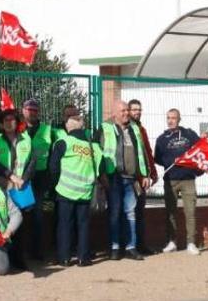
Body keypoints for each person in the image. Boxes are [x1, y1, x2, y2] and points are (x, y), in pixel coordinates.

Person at [97, 100, 149, 261]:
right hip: (113, 178)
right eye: (122, 111)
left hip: (131, 178)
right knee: (114, 213)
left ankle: (131, 247)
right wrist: (102, 175)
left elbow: (142, 152)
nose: (126, 113)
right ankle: (114, 247)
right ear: (114, 114)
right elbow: (97, 153)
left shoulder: (135, 129)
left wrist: (145, 174)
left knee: (130, 213)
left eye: (127, 110)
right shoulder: (104, 128)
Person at [49, 112, 103, 267]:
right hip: (85, 192)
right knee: (83, 225)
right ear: (83, 126)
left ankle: (64, 258)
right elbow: (100, 169)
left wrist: (55, 186)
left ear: (67, 127)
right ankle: (83, 257)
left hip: (65, 191)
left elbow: (53, 168)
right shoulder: (93, 147)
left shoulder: (63, 142)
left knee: (65, 224)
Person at [0, 108, 35, 269]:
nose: (9, 123)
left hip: (20, 186)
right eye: (5, 120)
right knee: (0, 220)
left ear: (17, 122)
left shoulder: (26, 139)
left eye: (12, 120)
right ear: (1, 124)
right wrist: (11, 176)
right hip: (1, 185)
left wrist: (24, 179)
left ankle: (19, 259)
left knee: (20, 221)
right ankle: (0, 256)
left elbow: (32, 161)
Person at [154, 108, 202, 256]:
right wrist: (171, 161)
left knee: (190, 212)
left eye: (173, 118)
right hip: (170, 180)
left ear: (179, 119)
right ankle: (172, 242)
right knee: (170, 213)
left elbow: (200, 149)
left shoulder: (189, 134)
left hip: (188, 179)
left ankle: (191, 243)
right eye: (168, 118)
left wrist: (204, 139)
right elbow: (158, 158)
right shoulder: (162, 139)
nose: (170, 120)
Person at [21, 99, 53, 262]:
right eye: (29, 109)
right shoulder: (17, 128)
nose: (32, 112)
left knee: (38, 216)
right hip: (21, 177)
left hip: (40, 177)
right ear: (23, 110)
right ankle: (18, 252)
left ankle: (37, 251)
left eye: (35, 109)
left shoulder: (47, 129)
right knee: (18, 215)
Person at [127, 99, 158, 256]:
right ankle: (129, 246)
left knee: (139, 212)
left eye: (139, 109)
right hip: (132, 177)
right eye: (134, 109)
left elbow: (147, 152)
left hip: (142, 178)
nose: (137, 112)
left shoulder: (141, 129)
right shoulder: (127, 128)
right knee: (130, 212)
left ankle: (141, 244)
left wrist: (152, 171)